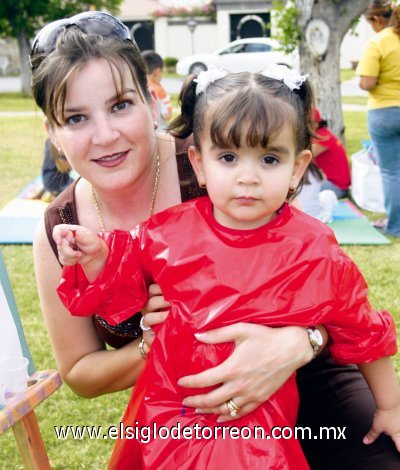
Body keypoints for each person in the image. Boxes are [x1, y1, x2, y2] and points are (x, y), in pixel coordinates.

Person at [29, 11, 400, 469]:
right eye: (76, 117)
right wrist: (155, 339)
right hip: (186, 405)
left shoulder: (226, 152)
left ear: (150, 101)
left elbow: (329, 286)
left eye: (121, 104)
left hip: (302, 373)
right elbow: (83, 368)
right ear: (54, 134)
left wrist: (296, 344)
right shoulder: (69, 229)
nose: (105, 135)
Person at [356, 0, 400, 237]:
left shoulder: (378, 42)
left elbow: (367, 82)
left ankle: (396, 226)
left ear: (377, 19)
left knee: (392, 172)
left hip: (384, 112)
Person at [311, 109, 351, 199]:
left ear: (316, 123)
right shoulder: (323, 134)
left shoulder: (322, 138)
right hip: (336, 185)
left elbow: (298, 158)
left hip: (336, 188)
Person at [142, 50, 172, 130]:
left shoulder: (138, 87)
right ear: (158, 71)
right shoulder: (160, 90)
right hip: (159, 131)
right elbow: (167, 115)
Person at [41, 138, 74, 202]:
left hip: (51, 177)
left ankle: (52, 192)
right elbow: (62, 167)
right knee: (80, 188)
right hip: (55, 180)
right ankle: (54, 194)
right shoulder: (58, 144)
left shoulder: (49, 140)